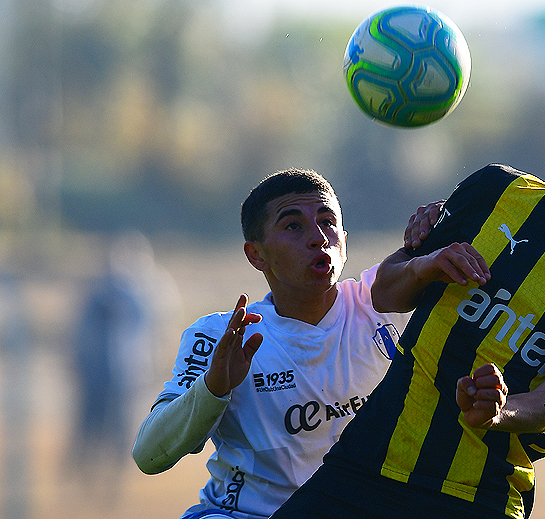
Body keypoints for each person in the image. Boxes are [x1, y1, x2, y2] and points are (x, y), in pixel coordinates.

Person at [271, 101, 545, 519]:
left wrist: (499, 413)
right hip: (367, 464)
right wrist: (425, 266)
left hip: (479, 499)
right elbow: (386, 294)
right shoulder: (497, 190)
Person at [132, 168, 437, 519]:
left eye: (327, 221)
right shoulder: (223, 336)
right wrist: (213, 388)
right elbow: (148, 454)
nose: (318, 237)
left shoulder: (387, 303)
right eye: (293, 225)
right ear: (256, 255)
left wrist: (449, 216)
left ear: (345, 241)